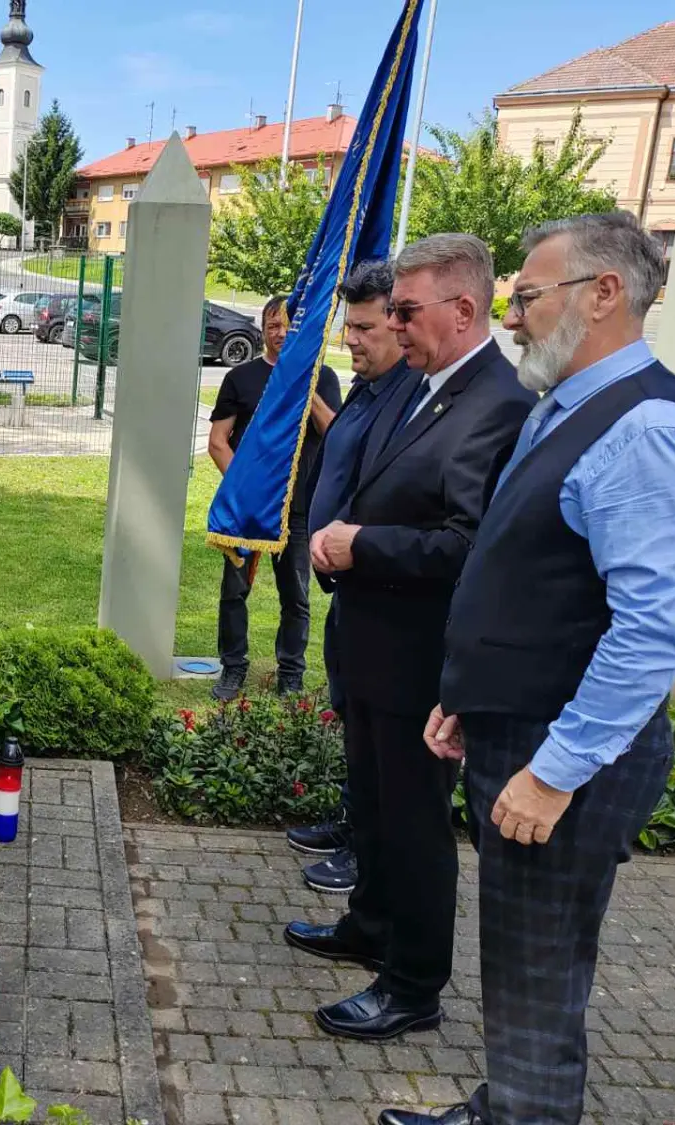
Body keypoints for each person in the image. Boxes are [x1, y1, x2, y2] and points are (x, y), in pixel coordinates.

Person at [380, 214, 675, 1125]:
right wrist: (469, 697)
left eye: (527, 296)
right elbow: (528, 572)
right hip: (520, 727)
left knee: (536, 966)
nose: (514, 317)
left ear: (603, 294)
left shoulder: (645, 427)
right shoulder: (567, 406)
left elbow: (650, 633)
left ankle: (525, 1112)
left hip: (564, 756)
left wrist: (552, 771)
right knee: (525, 957)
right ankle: (512, 1103)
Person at [283, 233, 534, 1042]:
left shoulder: (497, 403)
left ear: (464, 310)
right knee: (379, 813)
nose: (390, 323)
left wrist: (364, 543)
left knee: (417, 829)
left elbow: (471, 544)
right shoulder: (432, 388)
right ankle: (371, 924)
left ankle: (413, 983)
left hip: (424, 661)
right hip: (374, 644)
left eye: (404, 310)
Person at [288, 259, 411, 896]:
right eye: (350, 325)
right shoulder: (368, 385)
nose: (351, 340)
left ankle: (367, 853)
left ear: (398, 321)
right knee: (351, 715)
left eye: (364, 327)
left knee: (379, 735)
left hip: (380, 588)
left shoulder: (411, 396)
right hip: (350, 589)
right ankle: (350, 823)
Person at [208, 294, 342, 700]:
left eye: (288, 326)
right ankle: (232, 669)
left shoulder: (324, 377)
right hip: (248, 510)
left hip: (299, 507)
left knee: (296, 596)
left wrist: (302, 379)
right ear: (263, 329)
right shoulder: (240, 379)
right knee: (234, 593)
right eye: (272, 326)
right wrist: (247, 488)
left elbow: (334, 433)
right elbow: (218, 442)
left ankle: (291, 675)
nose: (280, 333)